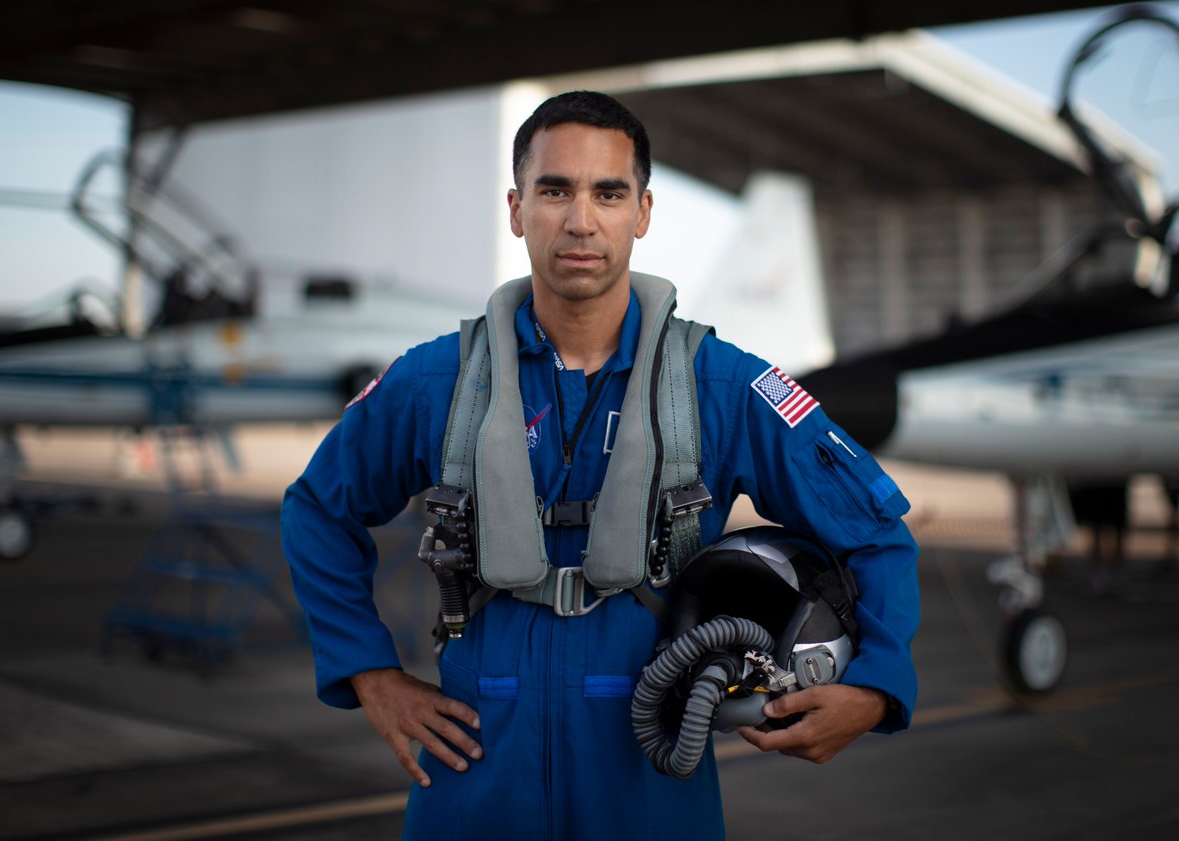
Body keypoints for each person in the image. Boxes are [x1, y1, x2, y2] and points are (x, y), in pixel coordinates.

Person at [281, 91, 919, 840]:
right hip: (474, 777)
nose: (580, 219)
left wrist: (876, 684)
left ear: (642, 212)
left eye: (607, 193)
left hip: (647, 777)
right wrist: (371, 674)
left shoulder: (718, 385)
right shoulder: (436, 382)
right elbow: (316, 507)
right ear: (517, 209)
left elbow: (874, 529)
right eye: (555, 190)